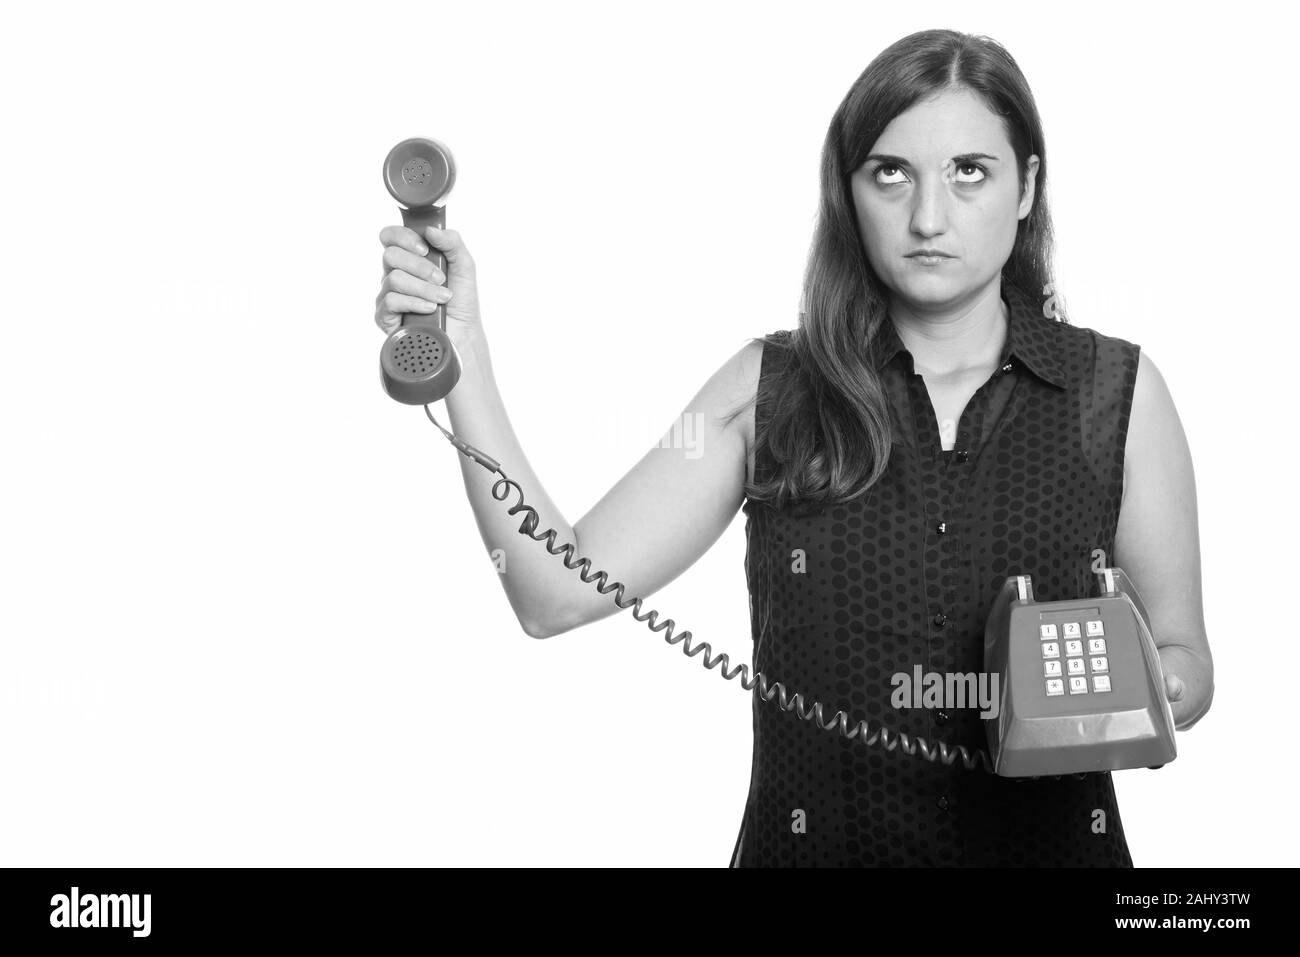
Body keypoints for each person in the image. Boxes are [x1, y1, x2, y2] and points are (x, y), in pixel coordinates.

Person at [373, 28, 1214, 867]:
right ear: (849, 192)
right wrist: (464, 356)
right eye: (892, 172)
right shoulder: (765, 388)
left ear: (1026, 186)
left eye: (970, 172)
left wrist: (1138, 689)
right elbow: (552, 591)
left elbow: (1187, 658)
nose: (929, 216)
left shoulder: (1118, 394)